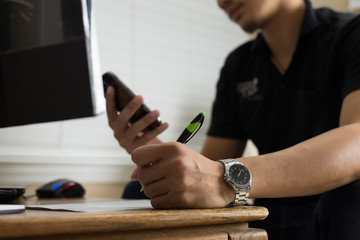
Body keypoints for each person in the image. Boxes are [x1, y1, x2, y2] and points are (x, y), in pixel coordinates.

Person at [105, 0, 360, 239]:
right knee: (136, 192)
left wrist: (224, 178)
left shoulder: (351, 34)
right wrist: (153, 150)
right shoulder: (239, 64)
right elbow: (207, 170)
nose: (220, 2)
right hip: (265, 218)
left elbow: (357, 140)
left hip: (335, 218)